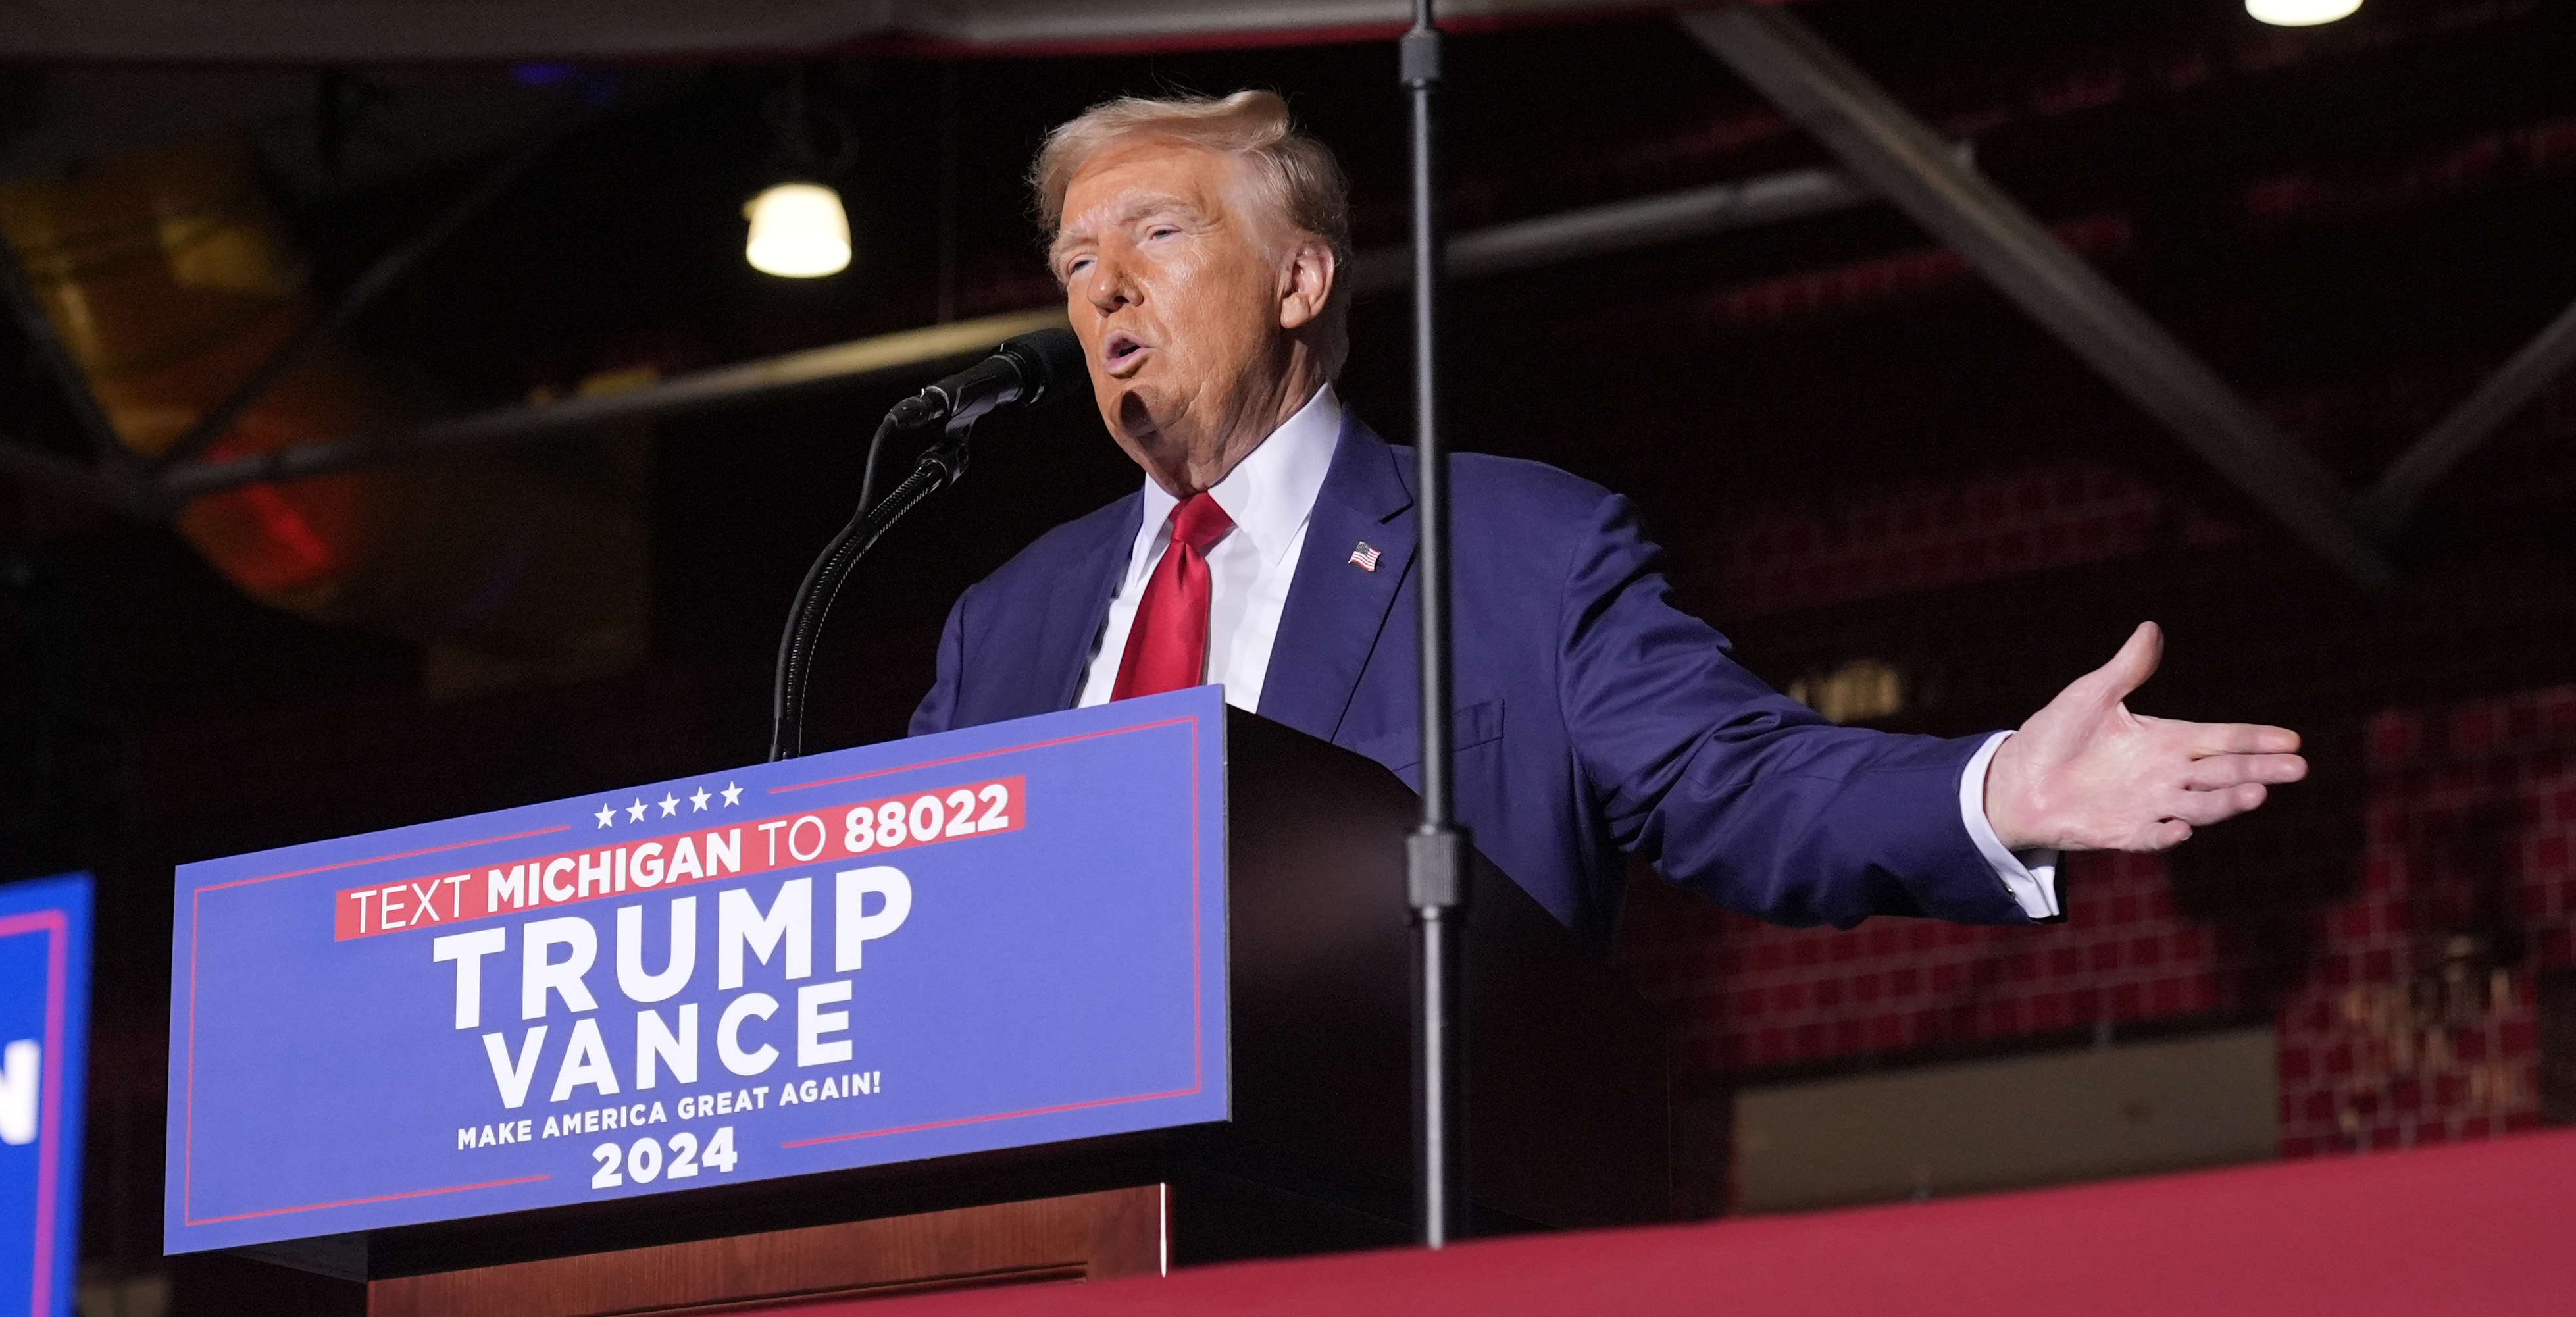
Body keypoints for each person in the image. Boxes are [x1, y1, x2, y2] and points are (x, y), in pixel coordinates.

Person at [907, 91, 2306, 946]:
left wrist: (1994, 793)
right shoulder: (1003, 626)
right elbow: (907, 919)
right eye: (1076, 260)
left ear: (1299, 283)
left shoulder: (1518, 556)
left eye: (1155, 235)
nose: (1101, 289)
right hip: (1060, 1245)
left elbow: (1740, 787)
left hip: (1376, 1222)